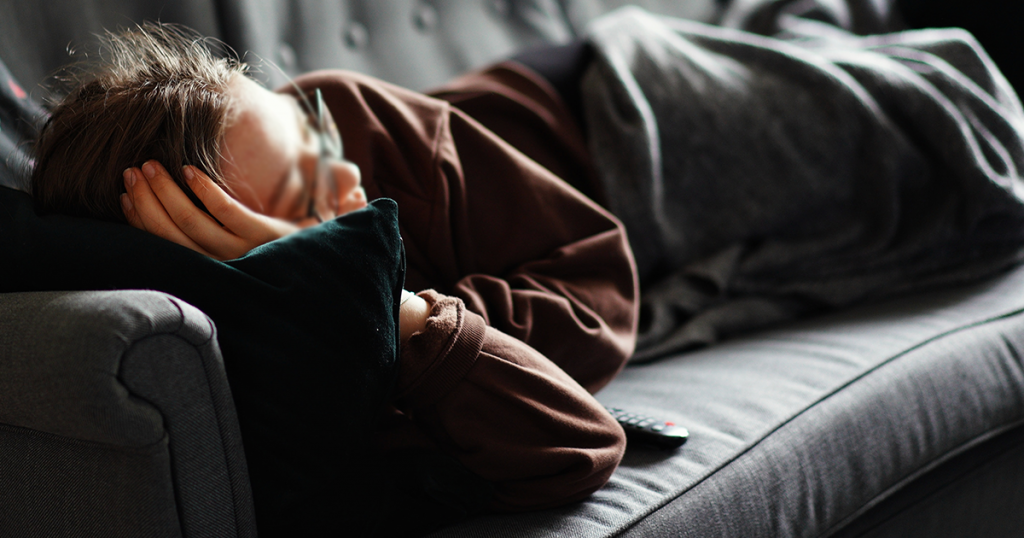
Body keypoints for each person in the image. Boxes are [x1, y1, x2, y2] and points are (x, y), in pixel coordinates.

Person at [30, 0, 1024, 532]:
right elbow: (574, 441)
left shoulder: (357, 120)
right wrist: (393, 310)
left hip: (618, 115)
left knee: (965, 128)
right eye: (302, 195)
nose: (349, 184)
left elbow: (598, 281)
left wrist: (390, 284)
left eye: (311, 142)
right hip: (637, 194)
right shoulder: (302, 355)